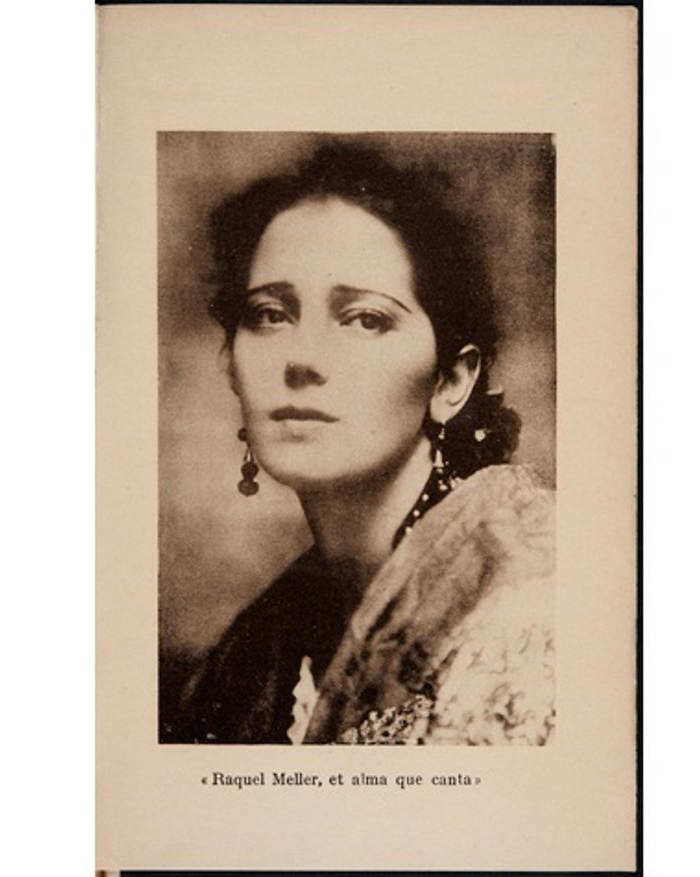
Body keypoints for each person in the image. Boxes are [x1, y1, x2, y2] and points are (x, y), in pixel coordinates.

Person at [167, 142, 555, 745]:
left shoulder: (536, 605)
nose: (301, 359)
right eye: (269, 314)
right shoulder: (253, 653)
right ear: (230, 366)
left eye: (365, 319)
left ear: (451, 381)